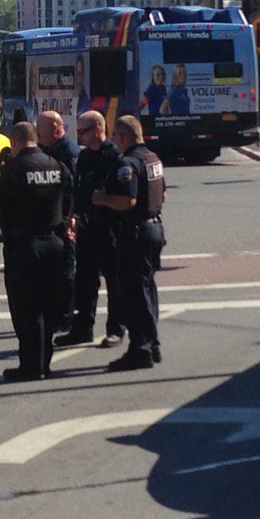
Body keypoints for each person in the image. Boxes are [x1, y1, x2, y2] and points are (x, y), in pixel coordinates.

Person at [0, 122, 72, 381]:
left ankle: (31, 366)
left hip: (24, 247)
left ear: (15, 142)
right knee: (48, 305)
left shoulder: (10, 171)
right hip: (55, 244)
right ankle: (44, 362)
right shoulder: (56, 165)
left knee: (27, 309)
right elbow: (69, 200)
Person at [93, 115, 165, 371]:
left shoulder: (128, 163)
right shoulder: (152, 159)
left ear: (123, 137)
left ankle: (140, 349)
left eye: (116, 137)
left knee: (135, 293)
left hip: (135, 233)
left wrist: (102, 199)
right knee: (147, 289)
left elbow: (127, 200)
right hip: (154, 227)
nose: (115, 142)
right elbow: (161, 194)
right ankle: (152, 343)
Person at [55, 110, 125, 348]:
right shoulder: (84, 158)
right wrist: (73, 217)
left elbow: (122, 195)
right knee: (85, 281)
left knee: (114, 281)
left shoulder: (113, 156)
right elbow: (77, 190)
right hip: (85, 225)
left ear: (98, 129)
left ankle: (116, 329)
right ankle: (82, 327)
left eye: (83, 131)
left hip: (108, 227)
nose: (80, 137)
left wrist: (105, 201)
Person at [36, 110, 79, 332]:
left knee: (66, 272)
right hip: (52, 221)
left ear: (55, 127)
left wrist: (72, 219)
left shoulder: (68, 152)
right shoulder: (46, 150)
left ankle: (66, 316)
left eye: (40, 129)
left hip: (66, 221)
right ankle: (55, 314)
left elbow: (74, 191)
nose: (36, 133)